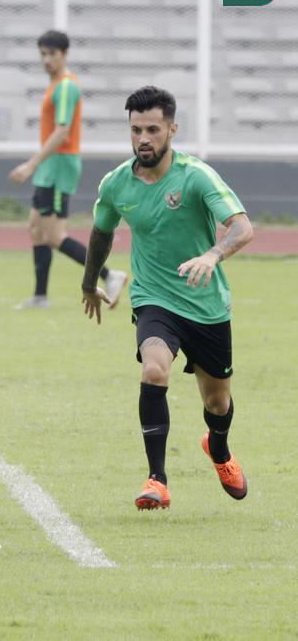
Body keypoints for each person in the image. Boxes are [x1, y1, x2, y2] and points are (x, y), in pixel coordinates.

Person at [81, 86, 253, 511]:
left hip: (206, 304)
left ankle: (218, 448)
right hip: (155, 298)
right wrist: (89, 283)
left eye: (153, 129)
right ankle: (157, 480)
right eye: (136, 130)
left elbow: (242, 227)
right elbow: (102, 232)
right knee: (155, 371)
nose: (143, 138)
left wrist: (213, 255)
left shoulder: (196, 176)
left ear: (172, 129)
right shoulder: (117, 183)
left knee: (217, 401)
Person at [9, 30, 126, 309]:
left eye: (52, 54)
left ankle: (111, 275)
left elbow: (62, 130)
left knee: (54, 235)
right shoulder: (55, 85)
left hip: (59, 165)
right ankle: (40, 297)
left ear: (65, 55)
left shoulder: (66, 86)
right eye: (43, 54)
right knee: (36, 228)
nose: (47, 59)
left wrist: (31, 163)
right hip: (50, 165)